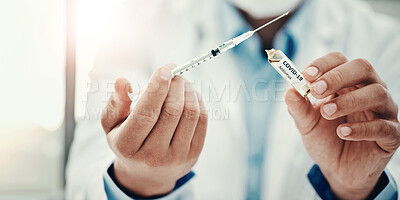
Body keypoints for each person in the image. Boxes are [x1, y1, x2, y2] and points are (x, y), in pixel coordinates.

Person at [66, 0, 400, 199]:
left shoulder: (387, 41)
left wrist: (357, 190)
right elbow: (86, 180)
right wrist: (139, 181)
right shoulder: (137, 24)